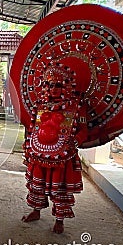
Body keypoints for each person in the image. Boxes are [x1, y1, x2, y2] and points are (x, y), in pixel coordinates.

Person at [21, 62, 88, 234]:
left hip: (63, 156)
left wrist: (75, 141)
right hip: (38, 153)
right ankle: (36, 211)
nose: (54, 89)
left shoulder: (76, 106)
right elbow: (31, 127)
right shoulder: (39, 105)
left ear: (66, 86)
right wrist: (27, 143)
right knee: (36, 186)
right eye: (50, 85)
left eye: (58, 85)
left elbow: (84, 131)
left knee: (60, 189)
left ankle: (60, 220)